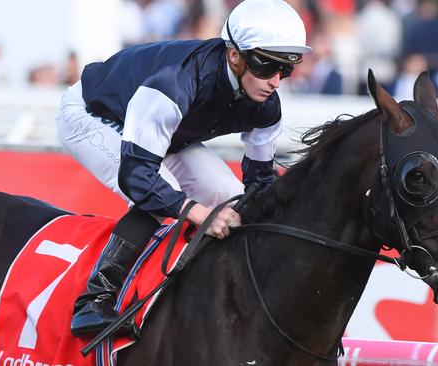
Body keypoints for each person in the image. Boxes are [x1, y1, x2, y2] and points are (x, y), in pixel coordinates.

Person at [56, 0, 311, 337]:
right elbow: (138, 178)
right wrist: (198, 213)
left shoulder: (267, 103)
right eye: (267, 68)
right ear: (235, 55)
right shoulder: (175, 81)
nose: (276, 82)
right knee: (160, 189)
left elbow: (260, 182)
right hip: (94, 113)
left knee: (232, 198)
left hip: (167, 131)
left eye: (286, 69)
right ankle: (94, 301)